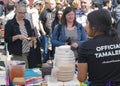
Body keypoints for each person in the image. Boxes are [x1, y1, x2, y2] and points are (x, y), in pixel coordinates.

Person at [77, 9, 120, 86]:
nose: (85, 26)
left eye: (87, 23)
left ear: (93, 27)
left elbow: (82, 78)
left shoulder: (86, 47)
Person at [4, 3, 35, 68]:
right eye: (20, 13)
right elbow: (7, 39)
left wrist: (31, 39)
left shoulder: (27, 22)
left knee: (28, 72)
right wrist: (17, 36)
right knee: (23, 72)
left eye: (24, 13)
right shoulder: (10, 23)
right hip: (18, 53)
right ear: (16, 11)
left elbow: (32, 34)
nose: (22, 15)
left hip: (29, 51)